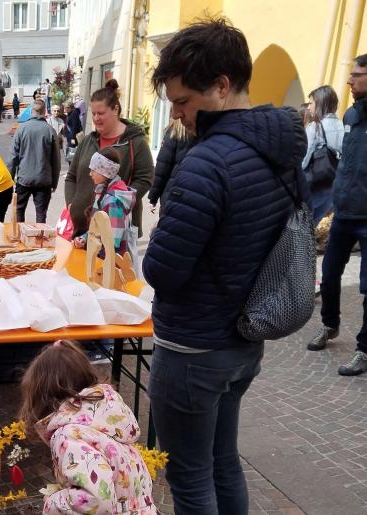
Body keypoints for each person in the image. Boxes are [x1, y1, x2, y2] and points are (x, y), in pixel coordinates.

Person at [143, 19, 308, 514]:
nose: (178, 115)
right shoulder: (280, 149)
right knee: (222, 462)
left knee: (190, 480)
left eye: (183, 101)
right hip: (242, 340)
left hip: (192, 347)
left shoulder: (208, 161)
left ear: (221, 85)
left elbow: (163, 270)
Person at [19, 340, 157, 514]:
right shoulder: (106, 419)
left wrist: (53, 501)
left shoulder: (69, 435)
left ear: (42, 397)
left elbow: (94, 500)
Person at [306, 54, 367, 376]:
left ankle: (364, 348)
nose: (350, 80)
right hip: (344, 212)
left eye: (357, 75)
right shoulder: (352, 113)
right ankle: (330, 326)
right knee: (329, 275)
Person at [64, 79, 153, 238]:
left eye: (101, 113)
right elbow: (71, 177)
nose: (96, 118)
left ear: (115, 109)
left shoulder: (135, 142)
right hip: (81, 229)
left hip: (116, 232)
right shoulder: (87, 141)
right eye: (93, 113)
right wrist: (71, 204)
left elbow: (145, 179)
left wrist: (119, 202)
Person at [67, 147, 135, 253]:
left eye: (94, 170)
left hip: (107, 264)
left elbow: (112, 243)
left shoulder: (113, 202)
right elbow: (98, 229)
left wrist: (93, 251)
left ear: (105, 172)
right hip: (99, 256)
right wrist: (84, 239)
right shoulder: (102, 192)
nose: (90, 174)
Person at [7, 100, 61, 223]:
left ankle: (19, 237)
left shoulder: (21, 129)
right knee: (41, 213)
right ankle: (39, 239)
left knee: (19, 210)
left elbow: (12, 157)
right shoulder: (50, 130)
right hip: (44, 179)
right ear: (44, 112)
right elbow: (56, 161)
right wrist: (54, 182)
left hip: (23, 178)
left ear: (31, 112)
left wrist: (9, 179)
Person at [301, 85, 344, 226]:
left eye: (312, 103)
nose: (309, 108)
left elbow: (304, 160)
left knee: (300, 227)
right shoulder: (342, 126)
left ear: (320, 103)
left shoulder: (315, 127)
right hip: (332, 187)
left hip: (313, 186)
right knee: (314, 226)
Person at [147, 119, 191, 212]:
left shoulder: (173, 133)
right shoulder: (202, 134)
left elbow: (162, 169)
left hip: (172, 194)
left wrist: (153, 197)